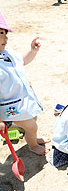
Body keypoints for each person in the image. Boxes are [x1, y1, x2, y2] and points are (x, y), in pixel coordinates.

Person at [0, 12, 50, 155]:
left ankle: (30, 135)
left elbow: (21, 62)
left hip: (23, 98)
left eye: (5, 33)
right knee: (32, 126)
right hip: (11, 106)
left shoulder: (6, 51)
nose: (6, 37)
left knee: (33, 117)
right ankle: (33, 145)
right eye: (1, 33)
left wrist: (32, 51)